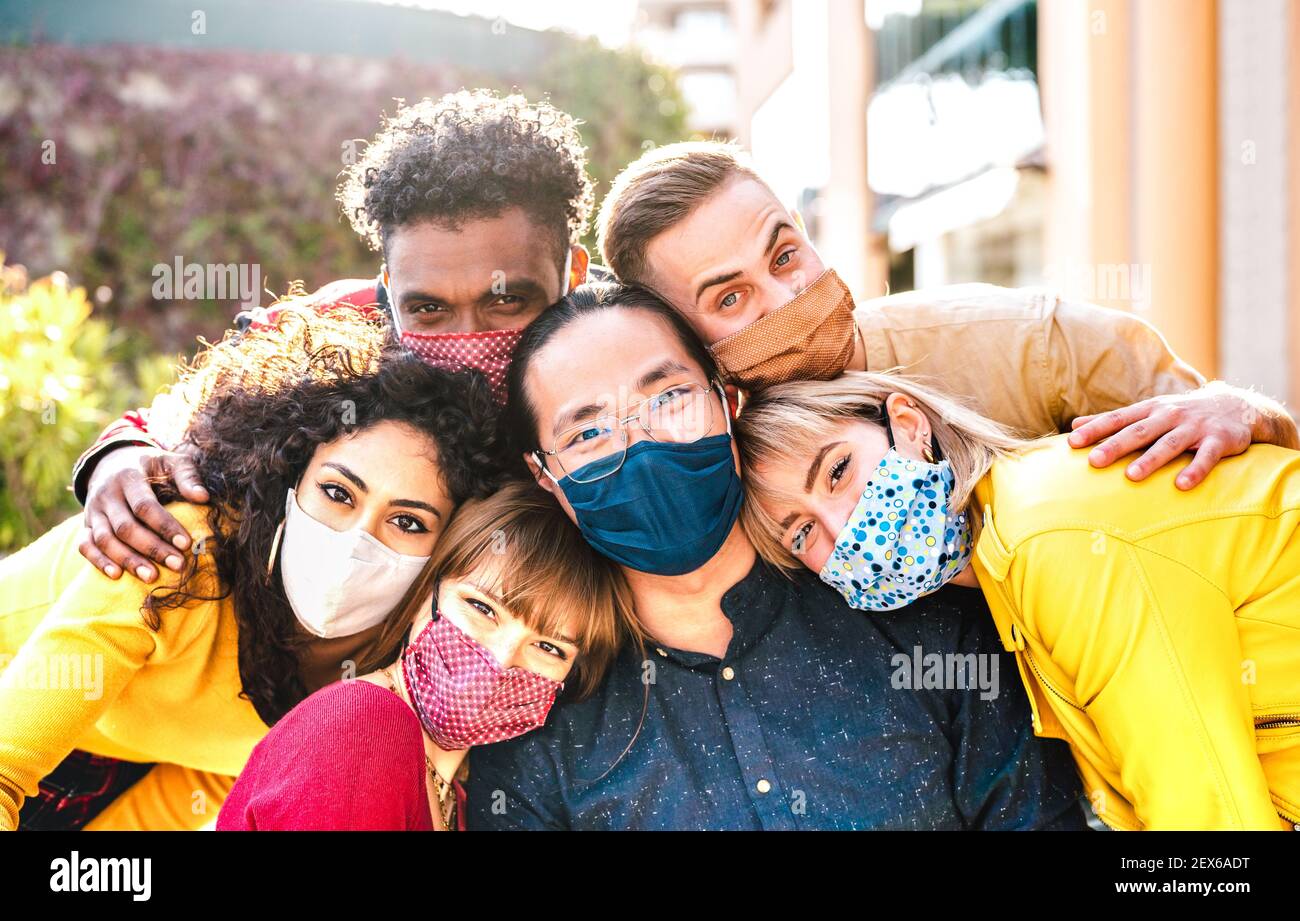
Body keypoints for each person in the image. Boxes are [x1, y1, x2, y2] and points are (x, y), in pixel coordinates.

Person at [465, 282, 1087, 830]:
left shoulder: (923, 623)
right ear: (546, 476)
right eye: (588, 433)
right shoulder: (540, 720)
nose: (643, 444)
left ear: (726, 402)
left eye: (670, 398)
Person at [0, 308, 505, 830]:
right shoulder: (178, 551)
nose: (357, 539)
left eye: (407, 521)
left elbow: (197, 789)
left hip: (114, 770)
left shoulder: (389, 673)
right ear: (288, 482)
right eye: (337, 493)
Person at [733, 370, 1300, 831]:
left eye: (838, 471)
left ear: (907, 425)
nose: (842, 526)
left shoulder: (1047, 537)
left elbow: (1210, 822)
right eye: (801, 533)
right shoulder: (1006, 562)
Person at [75, 89, 600, 583]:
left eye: (506, 300)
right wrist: (117, 461)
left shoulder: (625, 344)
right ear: (390, 288)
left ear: (573, 272)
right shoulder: (341, 324)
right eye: (429, 309)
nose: (467, 341)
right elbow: (168, 420)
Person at [595, 140, 1298, 485]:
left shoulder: (1022, 344)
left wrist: (1242, 407)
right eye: (730, 297)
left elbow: (1244, 451)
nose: (786, 300)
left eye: (784, 256)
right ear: (684, 337)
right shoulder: (715, 475)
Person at [216, 481, 633, 831]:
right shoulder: (364, 725)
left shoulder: (457, 799)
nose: (503, 659)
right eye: (482, 608)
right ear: (425, 593)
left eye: (549, 647)